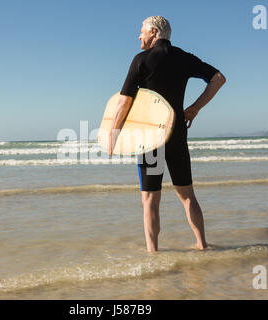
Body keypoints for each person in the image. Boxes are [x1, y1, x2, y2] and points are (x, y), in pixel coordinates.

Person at [108, 16, 226, 252]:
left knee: (150, 199)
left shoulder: (141, 60)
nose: (139, 36)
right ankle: (202, 245)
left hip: (150, 140)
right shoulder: (183, 57)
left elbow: (123, 102)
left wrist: (112, 134)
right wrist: (194, 108)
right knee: (187, 195)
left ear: (153, 32)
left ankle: (153, 253)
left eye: (141, 32)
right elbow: (218, 79)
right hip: (177, 136)